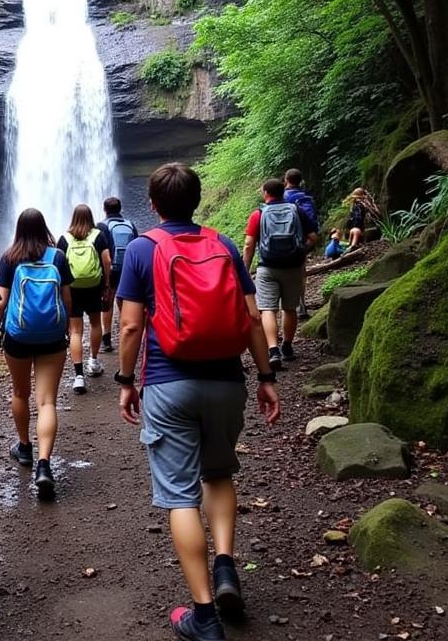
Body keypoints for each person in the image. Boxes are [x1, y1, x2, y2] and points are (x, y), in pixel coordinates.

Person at [115, 163, 281, 641]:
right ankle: (226, 565)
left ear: (152, 204)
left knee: (179, 496)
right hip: (227, 382)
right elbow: (251, 320)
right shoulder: (224, 244)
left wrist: (126, 380)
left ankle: (204, 616)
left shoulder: (143, 250)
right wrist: (266, 376)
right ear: (198, 199)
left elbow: (129, 326)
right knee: (219, 473)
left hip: (169, 385)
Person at [0, 208, 74, 499]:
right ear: (44, 228)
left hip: (17, 335)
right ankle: (44, 465)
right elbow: (66, 300)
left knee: (19, 392)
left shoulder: (9, 258)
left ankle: (24, 447)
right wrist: (64, 328)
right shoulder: (57, 257)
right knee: (47, 400)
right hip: (52, 337)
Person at [243, 178, 317, 372]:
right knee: (290, 308)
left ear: (265, 193)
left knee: (267, 309)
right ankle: (288, 346)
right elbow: (313, 238)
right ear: (283, 192)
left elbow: (249, 244)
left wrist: (245, 268)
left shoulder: (258, 214)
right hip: (293, 267)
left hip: (267, 267)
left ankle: (273, 349)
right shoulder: (296, 210)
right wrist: (300, 252)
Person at [57, 203, 112, 394]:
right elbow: (107, 261)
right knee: (96, 323)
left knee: (75, 331)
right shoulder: (98, 236)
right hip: (94, 287)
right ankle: (93, 362)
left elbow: (59, 266)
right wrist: (106, 285)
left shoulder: (64, 238)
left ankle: (78, 376)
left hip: (72, 289)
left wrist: (61, 291)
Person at [97, 196, 138, 352]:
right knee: (125, 303)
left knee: (107, 302)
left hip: (110, 269)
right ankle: (125, 335)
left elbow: (99, 252)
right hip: (128, 268)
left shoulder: (101, 226)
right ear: (120, 209)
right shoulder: (130, 225)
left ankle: (106, 340)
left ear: (105, 210)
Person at [283, 168, 319, 321]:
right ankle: (301, 303)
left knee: (283, 274)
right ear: (300, 181)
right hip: (302, 241)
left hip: (284, 240)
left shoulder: (283, 197)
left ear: (286, 180)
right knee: (300, 272)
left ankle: (289, 306)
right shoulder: (306, 197)